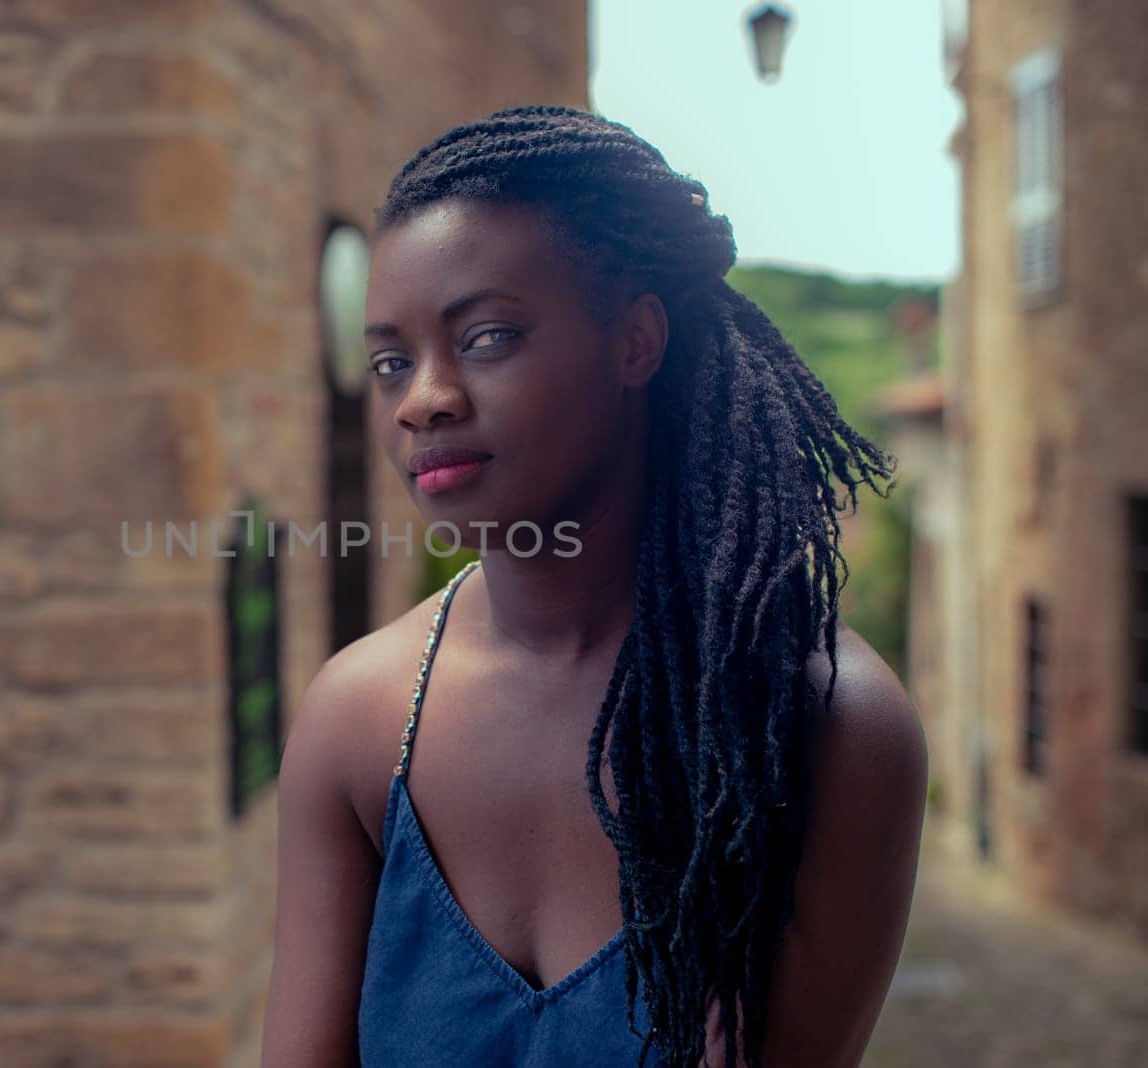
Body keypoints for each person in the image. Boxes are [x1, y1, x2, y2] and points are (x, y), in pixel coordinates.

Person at [259, 105, 928, 1068]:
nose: (422, 399)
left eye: (486, 337)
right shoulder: (358, 724)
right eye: (390, 361)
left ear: (635, 341)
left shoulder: (822, 724)